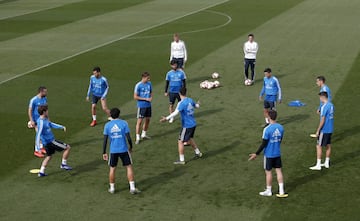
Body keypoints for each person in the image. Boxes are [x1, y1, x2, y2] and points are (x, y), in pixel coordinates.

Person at [248, 110, 288, 198]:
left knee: (268, 172)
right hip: (277, 153)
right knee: (278, 171)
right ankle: (281, 191)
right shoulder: (281, 127)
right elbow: (280, 139)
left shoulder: (267, 129)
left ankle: (269, 190)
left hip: (269, 154)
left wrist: (256, 153)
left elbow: (264, 143)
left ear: (269, 117)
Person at [103, 108, 141, 194]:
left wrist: (104, 152)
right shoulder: (124, 123)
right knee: (129, 167)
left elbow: (105, 140)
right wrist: (131, 147)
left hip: (113, 150)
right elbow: (128, 137)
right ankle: (132, 188)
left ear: (110, 115)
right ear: (119, 114)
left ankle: (112, 188)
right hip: (123, 149)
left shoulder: (107, 125)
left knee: (112, 169)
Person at [160, 87, 202, 164]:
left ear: (179, 93)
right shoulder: (190, 100)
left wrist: (166, 118)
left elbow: (175, 113)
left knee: (180, 141)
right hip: (193, 124)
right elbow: (196, 106)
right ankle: (198, 153)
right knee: (190, 138)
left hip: (187, 125)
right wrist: (198, 103)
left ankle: (181, 160)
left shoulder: (181, 103)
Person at [36, 105, 72, 177]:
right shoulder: (42, 123)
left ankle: (41, 171)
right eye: (47, 111)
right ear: (44, 112)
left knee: (49, 156)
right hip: (50, 142)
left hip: (47, 143)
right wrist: (38, 148)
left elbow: (51, 124)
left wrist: (61, 127)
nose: (48, 112)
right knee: (67, 147)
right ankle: (63, 164)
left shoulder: (42, 119)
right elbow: (38, 135)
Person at [310, 92, 334, 170]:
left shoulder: (324, 107)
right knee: (328, 145)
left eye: (320, 97)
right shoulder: (331, 105)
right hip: (330, 128)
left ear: (323, 97)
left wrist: (318, 131)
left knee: (318, 146)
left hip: (324, 129)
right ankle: (326, 162)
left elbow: (322, 120)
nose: (320, 99)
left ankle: (318, 164)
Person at [28, 86, 48, 158]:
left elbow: (46, 109)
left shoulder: (44, 98)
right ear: (41, 92)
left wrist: (48, 118)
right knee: (39, 135)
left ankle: (41, 147)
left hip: (43, 119)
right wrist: (31, 120)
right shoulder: (34, 100)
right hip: (36, 120)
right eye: (45, 92)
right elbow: (30, 110)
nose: (46, 93)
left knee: (43, 134)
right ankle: (37, 150)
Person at [134, 72, 153, 144]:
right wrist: (145, 99)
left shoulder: (149, 84)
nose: (149, 79)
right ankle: (137, 137)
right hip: (141, 106)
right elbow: (135, 97)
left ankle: (144, 134)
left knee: (148, 120)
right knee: (139, 122)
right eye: (148, 78)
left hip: (148, 105)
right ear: (144, 78)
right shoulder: (138, 85)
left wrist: (151, 97)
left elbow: (151, 92)